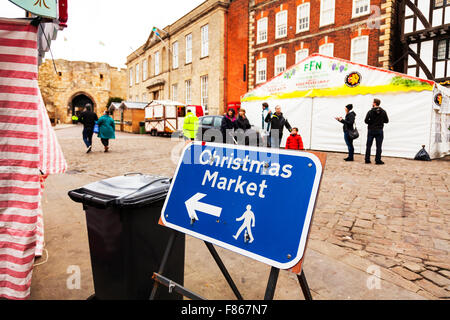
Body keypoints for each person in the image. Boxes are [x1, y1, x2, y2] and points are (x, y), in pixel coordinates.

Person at [364, 98, 389, 165]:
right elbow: (386, 121)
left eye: (373, 102)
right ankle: (378, 160)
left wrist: (371, 122)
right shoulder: (383, 111)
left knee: (368, 145)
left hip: (371, 130)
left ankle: (367, 159)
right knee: (379, 146)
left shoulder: (370, 111)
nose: (372, 103)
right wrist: (380, 121)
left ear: (375, 103)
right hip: (379, 130)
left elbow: (366, 121)